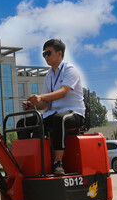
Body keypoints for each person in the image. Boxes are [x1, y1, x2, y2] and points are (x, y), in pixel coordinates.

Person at [17, 39, 85, 176]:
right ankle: (27, 162)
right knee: (22, 123)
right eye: (44, 54)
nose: (46, 57)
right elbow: (44, 104)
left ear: (59, 53)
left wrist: (41, 97)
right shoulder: (49, 76)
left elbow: (63, 92)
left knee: (59, 119)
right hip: (53, 113)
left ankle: (57, 163)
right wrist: (32, 105)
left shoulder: (70, 70)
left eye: (48, 53)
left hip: (74, 113)